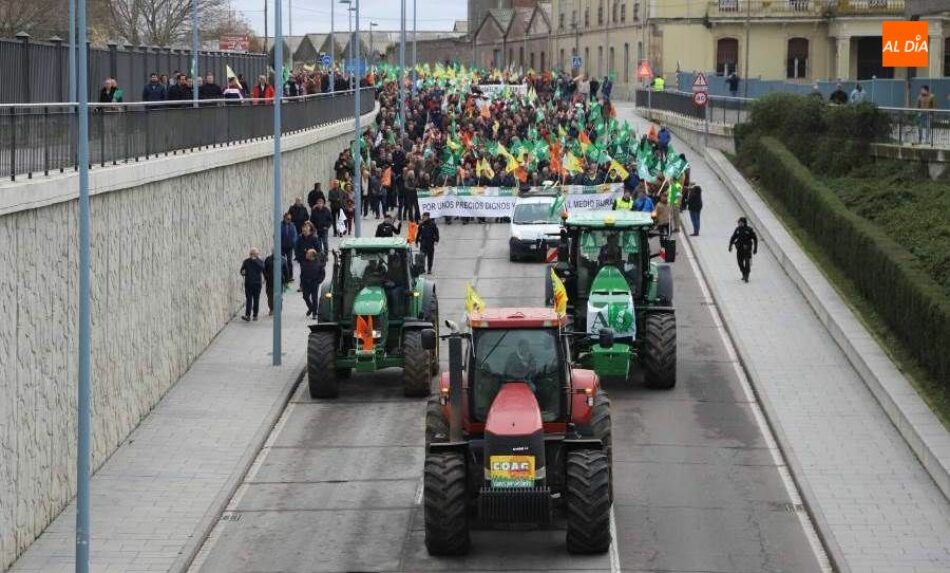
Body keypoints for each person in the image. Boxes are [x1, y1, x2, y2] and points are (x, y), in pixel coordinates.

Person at [728, 217, 759, 283]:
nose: (739, 224)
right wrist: (730, 246)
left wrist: (755, 248)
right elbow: (733, 237)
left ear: (744, 223)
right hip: (739, 249)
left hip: (747, 249)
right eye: (738, 222)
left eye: (740, 222)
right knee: (740, 263)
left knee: (747, 262)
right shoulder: (737, 230)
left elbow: (755, 239)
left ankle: (746, 275)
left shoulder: (749, 230)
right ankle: (743, 272)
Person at [300, 249, 327, 319]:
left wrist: (318, 281)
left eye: (307, 254)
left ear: (311, 256)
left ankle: (314, 313)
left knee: (314, 298)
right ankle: (311, 308)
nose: (306, 255)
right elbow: (302, 274)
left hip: (314, 283)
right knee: (305, 296)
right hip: (306, 283)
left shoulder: (318, 264)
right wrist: (301, 283)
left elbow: (322, 274)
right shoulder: (304, 262)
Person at [240, 248, 265, 321]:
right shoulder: (246, 261)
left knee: (255, 299)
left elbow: (262, 268)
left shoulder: (259, 261)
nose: (252, 255)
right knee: (249, 299)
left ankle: (255, 315)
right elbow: (241, 270)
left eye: (253, 254)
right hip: (249, 283)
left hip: (256, 284)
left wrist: (255, 261)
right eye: (252, 254)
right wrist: (243, 272)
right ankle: (248, 315)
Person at [263, 251, 291, 316]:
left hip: (279, 281)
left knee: (279, 295)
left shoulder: (283, 259)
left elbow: (286, 271)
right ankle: (271, 309)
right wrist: (266, 277)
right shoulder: (268, 259)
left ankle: (278, 309)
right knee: (270, 296)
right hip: (270, 281)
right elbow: (264, 269)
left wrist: (286, 281)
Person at [280, 213, 298, 280]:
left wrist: (293, 242)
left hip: (289, 247)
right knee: (282, 261)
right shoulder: (280, 226)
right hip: (282, 247)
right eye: (288, 219)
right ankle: (283, 276)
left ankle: (290, 276)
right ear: (284, 218)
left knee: (289, 262)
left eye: (290, 219)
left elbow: (295, 235)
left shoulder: (292, 225)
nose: (289, 220)